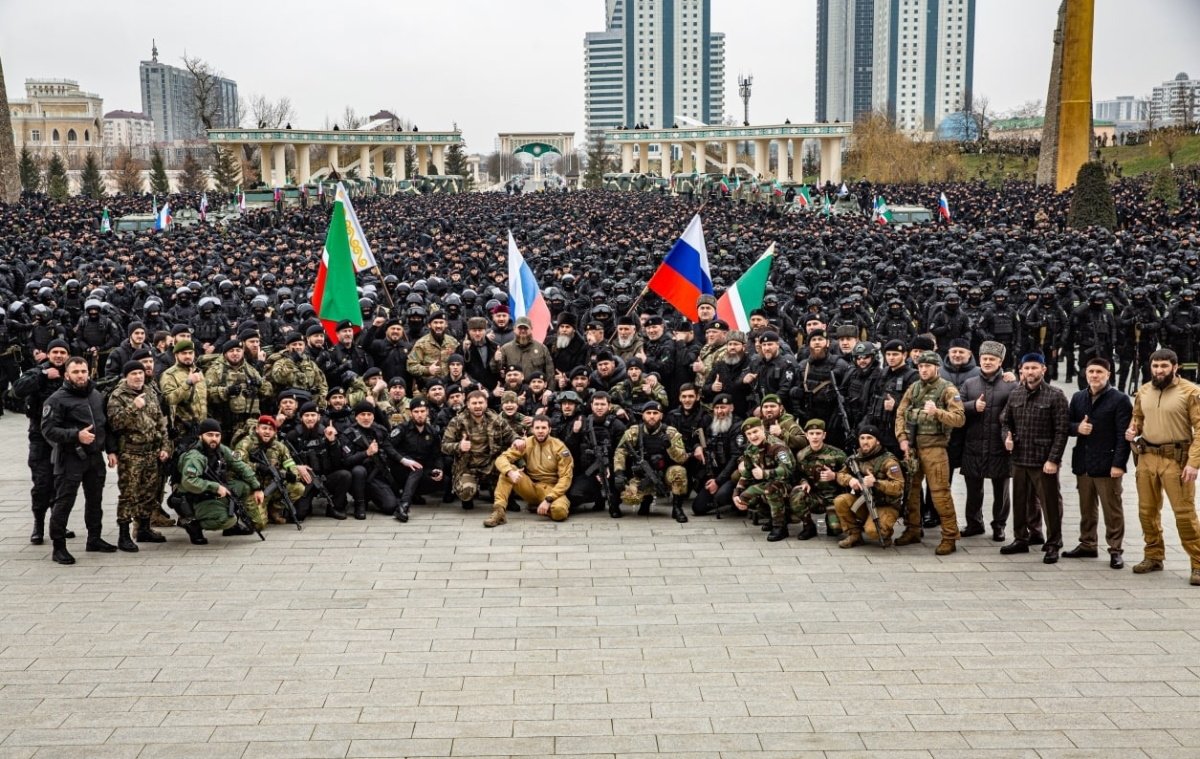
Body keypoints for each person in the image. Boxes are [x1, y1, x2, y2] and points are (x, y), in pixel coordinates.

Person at [1125, 349, 1200, 585]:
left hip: (1176, 460)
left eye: (1164, 366)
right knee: (1146, 511)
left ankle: (1198, 563)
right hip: (1147, 457)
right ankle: (1153, 555)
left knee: (1184, 514)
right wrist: (1133, 431)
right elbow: (1137, 417)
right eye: (1155, 366)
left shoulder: (1190, 392)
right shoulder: (1145, 390)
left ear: (1175, 367)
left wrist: (1193, 463)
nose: (1159, 371)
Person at [39, 356, 118, 564]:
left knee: (95, 500)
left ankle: (94, 539)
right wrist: (76, 435)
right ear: (67, 375)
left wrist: (111, 450)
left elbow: (105, 425)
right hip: (70, 457)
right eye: (75, 372)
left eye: (83, 371)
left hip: (94, 457)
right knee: (64, 502)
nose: (80, 375)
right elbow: (47, 430)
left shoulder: (96, 395)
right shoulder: (57, 399)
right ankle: (59, 547)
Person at [999, 353, 1070, 563]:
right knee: (1020, 502)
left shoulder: (1055, 395)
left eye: (1034, 368)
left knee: (1050, 504)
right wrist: (1007, 437)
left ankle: (1053, 543)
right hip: (1020, 457)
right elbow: (1005, 421)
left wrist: (1053, 460)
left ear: (1043, 370)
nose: (1030, 372)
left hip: (1043, 460)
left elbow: (1061, 431)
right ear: (1021, 370)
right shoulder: (1016, 394)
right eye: (1026, 368)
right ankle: (1021, 538)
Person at [895, 351, 965, 554]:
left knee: (940, 494)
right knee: (911, 492)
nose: (923, 370)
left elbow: (959, 419)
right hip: (913, 449)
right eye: (920, 366)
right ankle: (913, 529)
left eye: (927, 366)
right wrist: (902, 439)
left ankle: (950, 536)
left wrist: (937, 413)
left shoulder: (947, 389)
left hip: (935, 448)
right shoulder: (914, 388)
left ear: (937, 367)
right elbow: (901, 413)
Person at [1065, 357, 1132, 569]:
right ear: (1086, 373)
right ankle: (1087, 543)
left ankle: (1115, 549)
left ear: (1108, 375)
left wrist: (1119, 464)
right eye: (1091, 371)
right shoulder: (1078, 397)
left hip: (1107, 464)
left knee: (1112, 509)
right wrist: (1077, 428)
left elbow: (1123, 435)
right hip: (1083, 463)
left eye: (1099, 372)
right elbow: (1066, 425)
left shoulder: (1119, 399)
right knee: (1087, 508)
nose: (1094, 375)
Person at [107, 360, 172, 552]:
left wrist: (165, 447)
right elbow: (115, 424)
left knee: (149, 492)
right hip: (131, 454)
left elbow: (160, 422)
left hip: (151, 452)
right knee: (129, 494)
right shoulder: (117, 396)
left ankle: (144, 528)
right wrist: (133, 407)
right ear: (126, 376)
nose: (138, 377)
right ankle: (124, 534)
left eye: (140, 373)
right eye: (134, 373)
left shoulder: (150, 392)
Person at [11, 339, 71, 545]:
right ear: (48, 353)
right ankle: (38, 524)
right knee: (42, 482)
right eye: (55, 351)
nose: (59, 356)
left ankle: (58, 523)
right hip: (40, 436)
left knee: (62, 483)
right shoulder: (38, 371)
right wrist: (43, 375)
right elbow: (17, 389)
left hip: (64, 437)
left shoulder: (72, 373)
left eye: (63, 352)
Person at [959, 341, 1017, 542]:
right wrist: (972, 406)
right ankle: (974, 523)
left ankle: (999, 526)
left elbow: (1016, 410)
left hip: (999, 445)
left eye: (992, 359)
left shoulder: (1011, 384)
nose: (987, 362)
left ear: (1000, 362)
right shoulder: (970, 384)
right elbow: (956, 407)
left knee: (1001, 490)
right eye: (984, 359)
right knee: (973, 489)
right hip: (974, 444)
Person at [176, 418, 264, 545]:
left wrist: (257, 487)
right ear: (201, 436)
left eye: (217, 435)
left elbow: (241, 466)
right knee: (226, 520)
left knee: (243, 487)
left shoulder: (221, 449)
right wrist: (215, 487)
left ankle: (231, 528)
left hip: (211, 491)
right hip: (194, 496)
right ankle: (191, 523)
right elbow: (189, 482)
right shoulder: (195, 456)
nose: (214, 439)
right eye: (209, 435)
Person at [487, 415, 574, 527]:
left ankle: (541, 506)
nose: (540, 431)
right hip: (530, 486)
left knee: (560, 512)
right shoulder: (526, 443)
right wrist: (510, 472)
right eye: (537, 428)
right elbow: (501, 459)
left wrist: (549, 499)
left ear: (550, 429)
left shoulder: (559, 447)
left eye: (544, 428)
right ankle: (499, 512)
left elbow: (566, 478)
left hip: (551, 489)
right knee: (508, 471)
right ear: (532, 429)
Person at [441, 389, 518, 511]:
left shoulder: (495, 419)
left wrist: (517, 440)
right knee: (467, 491)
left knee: (510, 474)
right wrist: (459, 446)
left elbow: (510, 434)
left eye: (480, 403)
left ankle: (506, 498)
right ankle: (468, 497)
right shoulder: (457, 422)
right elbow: (444, 446)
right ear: (468, 404)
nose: (478, 406)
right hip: (468, 466)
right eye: (474, 403)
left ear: (486, 403)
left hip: (491, 465)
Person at [613, 401, 690, 522]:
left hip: (665, 474)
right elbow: (620, 452)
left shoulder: (671, 432)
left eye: (655, 413)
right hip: (642, 475)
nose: (652, 416)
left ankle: (677, 508)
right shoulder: (634, 432)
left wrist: (670, 447)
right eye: (648, 413)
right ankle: (646, 500)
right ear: (643, 415)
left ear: (661, 416)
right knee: (629, 497)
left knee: (679, 471)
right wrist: (619, 472)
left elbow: (682, 458)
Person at [833, 426, 906, 548]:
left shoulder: (888, 461)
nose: (865, 441)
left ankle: (885, 533)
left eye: (869, 438)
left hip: (885, 505)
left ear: (878, 441)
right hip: (864, 501)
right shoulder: (855, 458)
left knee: (873, 531)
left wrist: (876, 483)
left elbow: (898, 487)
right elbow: (840, 474)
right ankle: (854, 535)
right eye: (862, 438)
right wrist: (850, 480)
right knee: (840, 501)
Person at [233, 415, 310, 528]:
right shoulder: (245, 443)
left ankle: (274, 510)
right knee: (259, 525)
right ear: (257, 428)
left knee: (298, 488)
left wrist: (292, 475)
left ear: (274, 432)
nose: (267, 432)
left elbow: (290, 464)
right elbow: (236, 464)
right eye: (264, 428)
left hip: (272, 486)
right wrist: (257, 466)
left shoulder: (279, 447)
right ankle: (250, 510)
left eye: (271, 429)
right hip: (254, 489)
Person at [732, 417, 796, 541]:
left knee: (770, 489)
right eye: (749, 434)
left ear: (762, 429)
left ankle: (780, 527)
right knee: (746, 497)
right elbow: (747, 473)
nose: (753, 436)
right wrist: (737, 492)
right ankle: (773, 517)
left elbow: (788, 470)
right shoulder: (750, 450)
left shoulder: (777, 446)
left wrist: (765, 474)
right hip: (767, 483)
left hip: (787, 485)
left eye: (755, 432)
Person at [789, 419, 848, 539]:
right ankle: (808, 527)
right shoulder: (801, 455)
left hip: (834, 498)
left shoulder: (838, 454)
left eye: (818, 433)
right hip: (816, 497)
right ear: (806, 435)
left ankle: (831, 519)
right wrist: (804, 482)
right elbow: (798, 475)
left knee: (836, 530)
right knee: (797, 494)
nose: (815, 437)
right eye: (811, 433)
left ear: (824, 435)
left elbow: (849, 476)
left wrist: (834, 475)